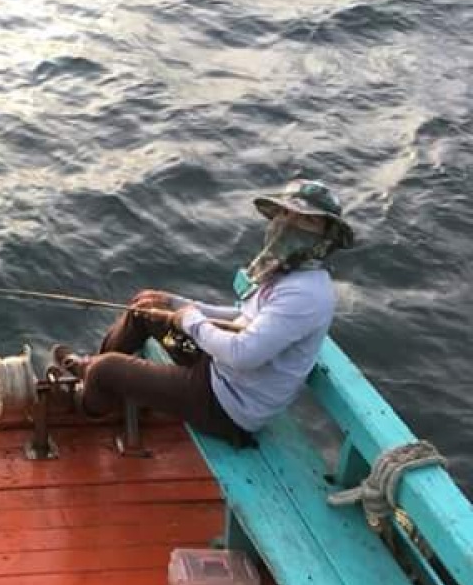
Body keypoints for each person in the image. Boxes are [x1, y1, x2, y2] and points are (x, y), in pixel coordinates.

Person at [56, 178, 356, 445]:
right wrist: (173, 303)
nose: (289, 223)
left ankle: (86, 402)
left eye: (308, 221)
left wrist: (189, 320)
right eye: (286, 213)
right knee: (143, 312)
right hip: (218, 370)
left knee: (107, 368)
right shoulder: (287, 274)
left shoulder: (304, 295)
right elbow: (240, 318)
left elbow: (244, 353)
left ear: (326, 237)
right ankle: (100, 386)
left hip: (226, 405)